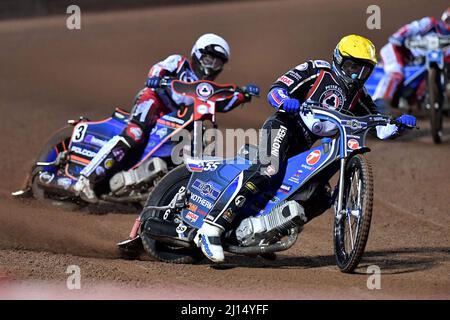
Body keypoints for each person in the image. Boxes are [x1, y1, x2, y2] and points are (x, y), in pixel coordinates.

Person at [195, 34, 417, 263]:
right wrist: (285, 101)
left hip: (304, 146)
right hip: (283, 126)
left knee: (320, 196)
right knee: (268, 168)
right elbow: (277, 88)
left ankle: (264, 232)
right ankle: (212, 226)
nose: (356, 75)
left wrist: (397, 125)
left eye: (364, 70)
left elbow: (378, 126)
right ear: (339, 59)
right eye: (352, 66)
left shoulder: (359, 96)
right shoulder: (317, 71)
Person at [74, 33, 259, 202]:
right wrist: (156, 78)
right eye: (208, 59)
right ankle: (86, 178)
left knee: (189, 145)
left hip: (175, 119)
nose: (211, 66)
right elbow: (158, 68)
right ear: (197, 53)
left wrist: (243, 95)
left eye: (217, 63)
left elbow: (222, 103)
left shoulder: (206, 89)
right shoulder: (179, 63)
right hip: (154, 101)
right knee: (136, 132)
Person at [373, 8, 450, 110]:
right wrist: (399, 37)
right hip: (399, 50)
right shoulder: (430, 23)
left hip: (418, 62)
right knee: (396, 72)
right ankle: (380, 103)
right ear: (445, 18)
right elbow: (411, 28)